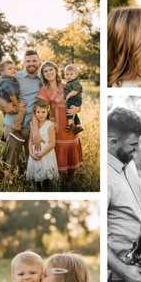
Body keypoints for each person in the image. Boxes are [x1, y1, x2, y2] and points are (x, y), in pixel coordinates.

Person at [107, 106, 141, 282]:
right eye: (133, 145)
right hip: (119, 274)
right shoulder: (105, 177)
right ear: (112, 142)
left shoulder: (129, 165)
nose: (137, 152)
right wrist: (125, 271)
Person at [35, 61, 82, 190]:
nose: (49, 73)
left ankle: (68, 185)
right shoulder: (45, 91)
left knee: (72, 153)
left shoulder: (66, 86)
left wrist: (77, 109)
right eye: (45, 71)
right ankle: (49, 187)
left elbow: (78, 103)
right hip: (56, 128)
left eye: (51, 69)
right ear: (43, 75)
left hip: (70, 126)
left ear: (56, 70)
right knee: (53, 158)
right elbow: (38, 111)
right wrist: (37, 131)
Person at [0, 50, 41, 166]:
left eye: (34, 60)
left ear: (39, 61)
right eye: (28, 61)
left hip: (31, 125)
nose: (31, 63)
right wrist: (5, 104)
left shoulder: (43, 78)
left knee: (33, 159)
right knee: (11, 159)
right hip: (12, 123)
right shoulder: (14, 76)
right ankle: (9, 181)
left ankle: (31, 182)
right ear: (24, 63)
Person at [27, 99, 59, 192]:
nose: (40, 114)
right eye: (38, 112)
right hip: (34, 154)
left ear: (47, 111)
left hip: (46, 154)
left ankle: (46, 191)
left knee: (46, 177)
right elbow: (30, 140)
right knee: (36, 177)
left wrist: (42, 154)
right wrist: (31, 153)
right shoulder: (33, 125)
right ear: (35, 112)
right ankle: (37, 190)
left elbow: (52, 144)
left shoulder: (50, 125)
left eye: (43, 112)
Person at [0, 59, 26, 143]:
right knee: (22, 110)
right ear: (3, 72)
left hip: (6, 103)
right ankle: (16, 129)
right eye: (10, 69)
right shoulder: (7, 82)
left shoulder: (8, 78)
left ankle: (3, 135)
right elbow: (12, 96)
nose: (13, 70)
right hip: (8, 103)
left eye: (14, 68)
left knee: (5, 116)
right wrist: (18, 105)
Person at [64, 63, 83, 135]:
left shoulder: (75, 82)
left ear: (76, 75)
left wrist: (69, 95)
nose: (68, 76)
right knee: (73, 113)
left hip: (74, 99)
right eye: (67, 74)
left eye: (71, 74)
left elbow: (76, 90)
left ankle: (70, 122)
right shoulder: (69, 82)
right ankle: (78, 125)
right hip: (74, 100)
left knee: (68, 109)